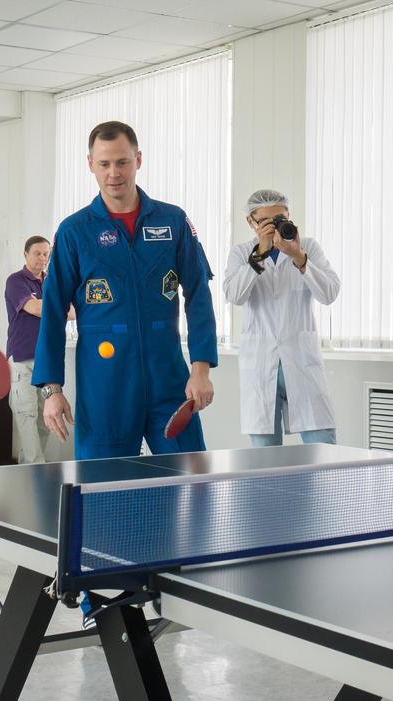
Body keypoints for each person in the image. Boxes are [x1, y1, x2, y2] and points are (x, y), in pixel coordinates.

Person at [33, 120, 217, 459]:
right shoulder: (74, 231)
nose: (113, 173)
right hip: (105, 387)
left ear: (138, 160)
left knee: (191, 479)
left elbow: (198, 295)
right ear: (90, 164)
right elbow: (53, 311)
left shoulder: (173, 221)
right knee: (104, 484)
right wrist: (51, 389)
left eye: (122, 162)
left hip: (169, 380)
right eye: (104, 163)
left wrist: (201, 369)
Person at [224, 189, 341, 447]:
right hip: (260, 364)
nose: (274, 227)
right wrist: (260, 255)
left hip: (302, 361)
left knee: (323, 448)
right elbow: (235, 295)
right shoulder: (242, 253)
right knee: (265, 457)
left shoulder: (308, 248)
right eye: (265, 222)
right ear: (251, 222)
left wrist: (298, 257)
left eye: (280, 219)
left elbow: (329, 293)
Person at [4, 235, 53, 464]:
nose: (42, 258)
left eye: (46, 254)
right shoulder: (15, 281)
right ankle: (37, 468)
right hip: (22, 359)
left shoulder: (52, 281)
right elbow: (34, 308)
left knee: (45, 419)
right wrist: (58, 306)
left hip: (47, 361)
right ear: (25, 254)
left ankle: (29, 468)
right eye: (37, 253)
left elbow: (74, 312)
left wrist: (53, 306)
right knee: (26, 415)